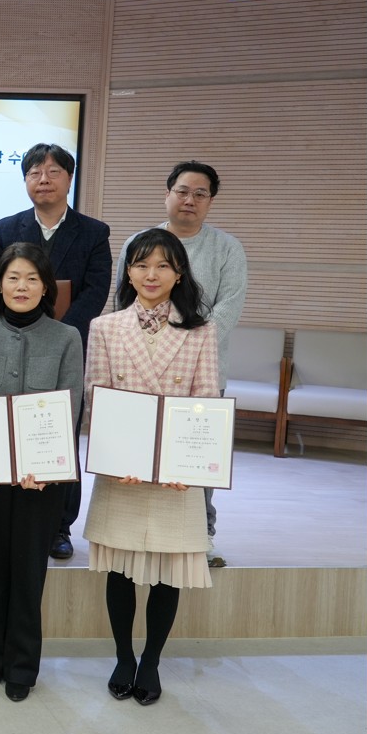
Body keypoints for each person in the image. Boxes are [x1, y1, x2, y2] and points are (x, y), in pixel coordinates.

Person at [86, 227, 219, 706]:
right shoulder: (105, 327)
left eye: (163, 265)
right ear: (128, 271)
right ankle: (124, 655)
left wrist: (190, 463)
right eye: (141, 264)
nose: (151, 274)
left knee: (167, 571)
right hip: (123, 467)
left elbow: (205, 399)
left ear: (178, 272)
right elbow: (96, 395)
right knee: (120, 569)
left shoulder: (200, 329)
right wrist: (116, 455)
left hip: (175, 474)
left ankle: (153, 661)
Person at [0, 242, 83, 701]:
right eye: (13, 277)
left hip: (42, 482)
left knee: (30, 573)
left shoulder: (66, 337)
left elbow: (68, 410)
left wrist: (45, 467)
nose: (22, 286)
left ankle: (22, 667)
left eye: (32, 278)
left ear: (46, 287)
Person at [114, 161, 246, 568]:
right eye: (182, 191)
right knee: (138, 454)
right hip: (141, 368)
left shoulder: (227, 248)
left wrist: (183, 342)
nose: (190, 200)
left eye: (200, 194)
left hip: (202, 372)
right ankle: (133, 530)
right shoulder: (139, 240)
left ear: (210, 202)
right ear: (167, 194)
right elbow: (123, 299)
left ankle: (201, 534)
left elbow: (228, 309)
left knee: (196, 454)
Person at [0, 143, 111, 560]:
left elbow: (95, 292)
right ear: (25, 180)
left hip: (65, 348)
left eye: (54, 171)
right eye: (34, 172)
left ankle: (60, 526)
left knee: (60, 433)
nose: (44, 179)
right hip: (12, 344)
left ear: (69, 178)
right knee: (11, 428)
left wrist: (57, 334)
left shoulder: (94, 232)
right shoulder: (5, 228)